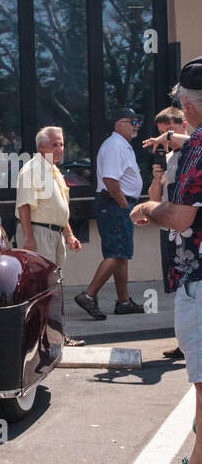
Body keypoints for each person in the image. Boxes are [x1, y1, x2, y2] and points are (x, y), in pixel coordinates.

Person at [129, 57, 202, 464]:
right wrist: (173, 139)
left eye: (182, 105)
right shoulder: (194, 140)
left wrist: (145, 210)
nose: (181, 112)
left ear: (191, 105)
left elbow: (179, 215)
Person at [75, 109, 145, 319]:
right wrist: (125, 206)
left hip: (116, 204)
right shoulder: (115, 145)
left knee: (121, 254)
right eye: (132, 121)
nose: (136, 125)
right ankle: (89, 295)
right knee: (116, 253)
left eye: (138, 121)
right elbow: (110, 180)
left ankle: (123, 302)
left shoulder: (122, 145)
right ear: (118, 124)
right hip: (114, 203)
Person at [16, 126, 82, 345]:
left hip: (54, 234)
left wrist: (69, 235)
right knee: (40, 287)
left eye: (62, 144)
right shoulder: (32, 169)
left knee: (54, 287)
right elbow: (24, 205)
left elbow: (60, 209)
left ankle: (54, 336)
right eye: (55, 144)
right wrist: (28, 238)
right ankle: (39, 338)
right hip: (38, 232)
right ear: (42, 146)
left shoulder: (54, 170)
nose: (60, 148)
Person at [147, 106, 190, 359]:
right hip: (169, 229)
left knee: (191, 287)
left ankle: (189, 341)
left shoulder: (194, 149)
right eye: (161, 134)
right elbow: (156, 199)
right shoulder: (171, 157)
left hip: (188, 231)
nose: (164, 140)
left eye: (168, 134)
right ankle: (183, 340)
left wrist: (169, 138)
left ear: (184, 125)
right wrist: (156, 179)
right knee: (178, 288)